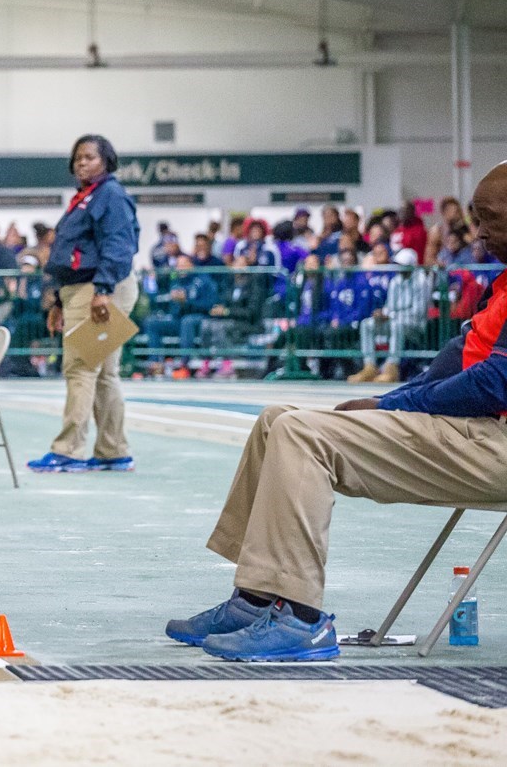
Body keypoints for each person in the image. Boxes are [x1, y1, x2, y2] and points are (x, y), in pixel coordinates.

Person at [164, 163, 507, 663]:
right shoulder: (500, 285)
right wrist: (393, 400)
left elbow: (493, 382)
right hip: (474, 431)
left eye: (489, 219)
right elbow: (458, 358)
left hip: (495, 445)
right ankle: (256, 598)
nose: (478, 233)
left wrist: (391, 403)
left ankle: (300, 619)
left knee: (302, 434)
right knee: (275, 419)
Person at [29, 133, 141, 474]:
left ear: (106, 160)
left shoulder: (110, 195)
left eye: (89, 157)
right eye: (77, 158)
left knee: (80, 368)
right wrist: (57, 303)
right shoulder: (85, 197)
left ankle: (69, 450)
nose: (81, 162)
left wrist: (102, 289)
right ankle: (113, 451)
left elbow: (119, 244)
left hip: (99, 289)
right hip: (84, 289)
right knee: (104, 373)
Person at [348, 247, 432, 384]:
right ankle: (369, 366)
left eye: (402, 265)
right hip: (395, 320)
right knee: (367, 324)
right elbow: (390, 306)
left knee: (395, 324)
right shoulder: (395, 281)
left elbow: (418, 312)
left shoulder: (421, 281)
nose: (398, 268)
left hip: (414, 325)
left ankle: (391, 368)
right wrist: (383, 313)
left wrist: (391, 315)